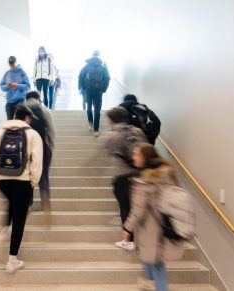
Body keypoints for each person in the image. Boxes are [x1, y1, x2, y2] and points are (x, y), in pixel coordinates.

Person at [0, 104, 43, 273]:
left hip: (2, 180)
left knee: (12, 203)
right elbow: (37, 162)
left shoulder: (0, 132)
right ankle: (12, 261)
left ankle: (4, 229)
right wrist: (33, 182)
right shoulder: (33, 134)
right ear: (27, 118)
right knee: (20, 218)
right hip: (22, 180)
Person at [123, 144, 184, 291]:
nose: (133, 157)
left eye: (136, 154)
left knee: (156, 264)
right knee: (149, 262)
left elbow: (138, 209)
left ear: (145, 157)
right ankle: (147, 283)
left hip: (151, 230)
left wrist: (127, 228)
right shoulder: (166, 174)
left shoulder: (146, 179)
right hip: (160, 227)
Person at [101, 107, 147, 251]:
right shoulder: (137, 131)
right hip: (140, 175)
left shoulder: (112, 135)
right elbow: (146, 150)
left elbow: (105, 152)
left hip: (123, 176)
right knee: (139, 207)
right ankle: (145, 238)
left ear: (111, 121)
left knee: (125, 207)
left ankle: (128, 240)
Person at [25, 91, 55, 217]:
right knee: (43, 175)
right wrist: (51, 147)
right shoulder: (44, 110)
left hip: (26, 148)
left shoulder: (21, 111)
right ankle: (45, 201)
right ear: (38, 98)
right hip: (42, 147)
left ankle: (28, 204)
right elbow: (51, 130)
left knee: (28, 176)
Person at [78, 50, 110, 137]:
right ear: (99, 56)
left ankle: (90, 123)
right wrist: (103, 89)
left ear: (92, 56)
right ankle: (96, 130)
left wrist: (84, 87)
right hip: (98, 91)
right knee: (97, 110)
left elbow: (80, 76)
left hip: (88, 90)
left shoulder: (87, 66)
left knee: (88, 108)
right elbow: (107, 78)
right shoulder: (103, 66)